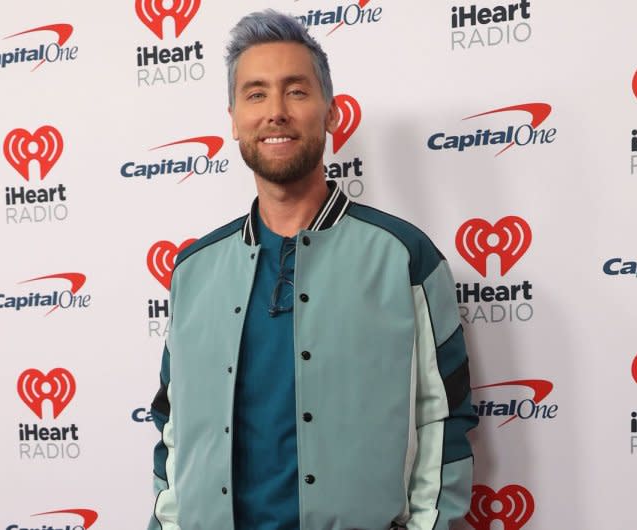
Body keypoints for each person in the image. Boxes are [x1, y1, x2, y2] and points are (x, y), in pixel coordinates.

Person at [148, 9, 478, 530]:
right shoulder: (193, 271)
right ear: (233, 119)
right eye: (255, 94)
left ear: (329, 112)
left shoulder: (404, 256)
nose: (275, 111)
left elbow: (446, 417)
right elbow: (171, 426)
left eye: (296, 91)